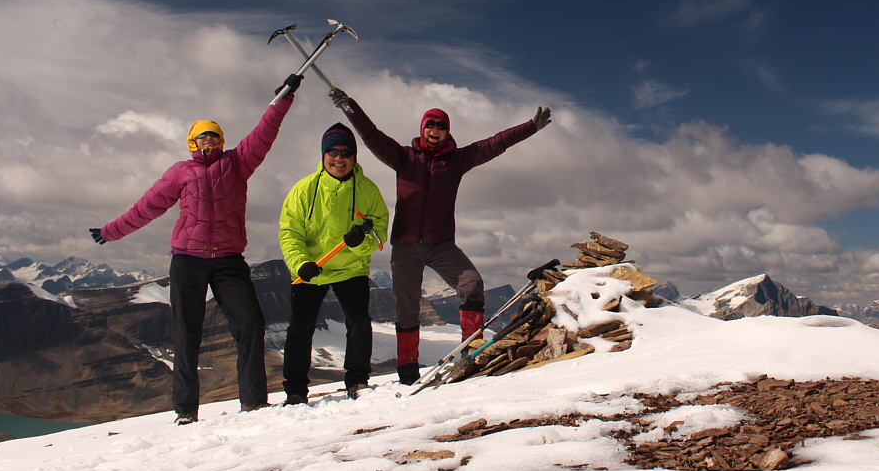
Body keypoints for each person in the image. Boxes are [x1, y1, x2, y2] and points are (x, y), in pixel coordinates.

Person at [90, 73, 303, 424]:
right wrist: (111, 231)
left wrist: (284, 97)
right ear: (192, 141)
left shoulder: (237, 163)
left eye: (215, 135)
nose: (209, 140)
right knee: (186, 333)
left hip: (229, 260)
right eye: (202, 135)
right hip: (188, 260)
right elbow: (146, 208)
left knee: (250, 324)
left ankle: (253, 403)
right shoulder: (180, 172)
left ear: (222, 140)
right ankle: (186, 410)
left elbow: (264, 133)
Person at [328, 87, 551, 385]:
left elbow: (495, 144)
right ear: (422, 129)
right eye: (430, 125)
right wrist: (349, 107)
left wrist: (530, 127)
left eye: (441, 126)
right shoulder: (403, 157)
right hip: (406, 245)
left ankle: (470, 354)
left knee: (472, 284)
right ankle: (408, 372)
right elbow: (371, 135)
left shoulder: (457, 160)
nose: (435, 130)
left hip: (441, 244)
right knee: (406, 309)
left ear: (448, 132)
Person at [278, 123, 389, 404]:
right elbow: (290, 231)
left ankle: (357, 380)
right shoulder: (304, 190)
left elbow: (379, 232)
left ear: (354, 157)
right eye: (333, 151)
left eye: (346, 152)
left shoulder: (368, 190)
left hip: (350, 267)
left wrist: (359, 242)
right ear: (323, 154)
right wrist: (300, 262)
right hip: (312, 269)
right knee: (300, 329)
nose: (339, 158)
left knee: (359, 322)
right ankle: (294, 391)